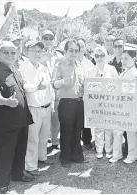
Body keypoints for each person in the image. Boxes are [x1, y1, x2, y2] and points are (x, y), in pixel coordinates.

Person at [0, 41, 34, 194]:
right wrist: (6, 102)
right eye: (6, 52)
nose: (10, 55)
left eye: (13, 52)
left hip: (21, 120)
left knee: (20, 150)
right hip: (4, 123)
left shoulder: (15, 70)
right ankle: (2, 183)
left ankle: (18, 174)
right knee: (4, 153)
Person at [19, 39, 55, 177]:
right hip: (33, 108)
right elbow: (24, 87)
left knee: (45, 136)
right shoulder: (22, 67)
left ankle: (42, 158)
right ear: (27, 52)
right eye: (34, 50)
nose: (37, 53)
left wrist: (51, 103)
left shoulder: (43, 67)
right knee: (32, 139)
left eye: (39, 51)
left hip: (46, 106)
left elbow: (49, 86)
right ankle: (31, 166)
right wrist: (37, 87)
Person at [53, 39, 85, 168]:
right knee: (66, 130)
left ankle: (76, 155)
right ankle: (65, 157)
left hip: (79, 102)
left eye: (76, 50)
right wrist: (62, 82)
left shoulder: (79, 65)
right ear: (65, 51)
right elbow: (54, 84)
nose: (74, 53)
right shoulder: (59, 65)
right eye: (71, 50)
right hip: (66, 102)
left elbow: (82, 82)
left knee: (77, 130)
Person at [85, 46, 119, 159]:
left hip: (109, 103)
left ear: (106, 56)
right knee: (98, 127)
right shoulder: (90, 71)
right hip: (96, 103)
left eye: (102, 55)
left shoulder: (112, 69)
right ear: (94, 57)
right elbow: (87, 88)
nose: (99, 58)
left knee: (109, 127)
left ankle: (108, 149)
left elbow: (117, 85)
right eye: (97, 55)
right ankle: (99, 149)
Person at [118, 44, 137, 164]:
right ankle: (128, 153)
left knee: (131, 133)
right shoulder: (126, 71)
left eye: (126, 58)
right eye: (122, 58)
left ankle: (133, 155)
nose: (123, 61)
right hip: (125, 107)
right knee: (127, 132)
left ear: (134, 59)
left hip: (132, 107)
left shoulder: (135, 74)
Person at [40, 29, 64, 151]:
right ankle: (43, 144)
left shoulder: (59, 55)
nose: (48, 41)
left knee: (56, 117)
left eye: (50, 38)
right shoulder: (37, 54)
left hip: (55, 91)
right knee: (44, 118)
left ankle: (55, 140)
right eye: (45, 38)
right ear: (41, 39)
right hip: (42, 91)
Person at [77, 38, 95, 149]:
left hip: (87, 96)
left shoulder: (89, 64)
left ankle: (87, 140)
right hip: (76, 96)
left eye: (82, 46)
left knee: (86, 119)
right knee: (77, 119)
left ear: (85, 48)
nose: (80, 48)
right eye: (78, 46)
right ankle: (76, 140)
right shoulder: (71, 62)